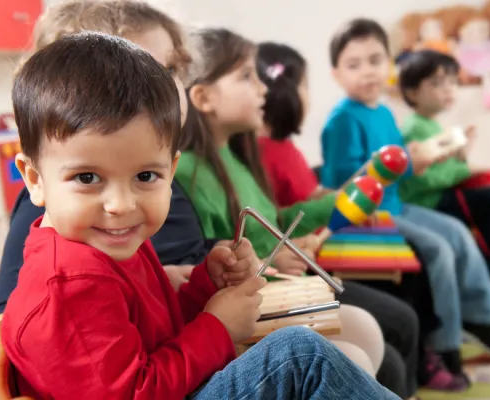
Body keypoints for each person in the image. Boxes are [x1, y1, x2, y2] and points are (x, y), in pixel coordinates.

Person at [1, 31, 398, 400]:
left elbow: (159, 336)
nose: (121, 204)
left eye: (145, 176)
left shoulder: (110, 244)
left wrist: (208, 287)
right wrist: (218, 327)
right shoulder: (71, 284)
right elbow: (137, 391)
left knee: (336, 341)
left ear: (170, 171)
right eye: (87, 177)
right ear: (35, 179)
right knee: (299, 354)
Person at [176, 27, 419, 397]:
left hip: (278, 288)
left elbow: (275, 223)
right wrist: (268, 262)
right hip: (261, 301)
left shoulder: (238, 159)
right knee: (374, 343)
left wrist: (339, 200)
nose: (263, 89)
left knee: (375, 332)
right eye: (247, 76)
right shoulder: (189, 174)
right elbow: (216, 260)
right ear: (203, 97)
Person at [0, 0, 212, 327]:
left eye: (171, 71)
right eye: (144, 71)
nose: (168, 87)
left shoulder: (147, 165)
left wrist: (184, 276)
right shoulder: (54, 201)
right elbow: (9, 319)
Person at [320, 18, 490, 388]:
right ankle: (445, 343)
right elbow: (346, 185)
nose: (368, 72)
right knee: (438, 249)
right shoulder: (343, 119)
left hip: (396, 205)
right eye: (354, 64)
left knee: (458, 232)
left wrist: (425, 159)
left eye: (376, 60)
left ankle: (478, 318)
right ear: (336, 74)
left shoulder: (384, 112)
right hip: (370, 214)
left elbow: (402, 167)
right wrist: (402, 163)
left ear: (390, 64)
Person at [256, 41, 425, 398]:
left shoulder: (285, 147)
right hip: (310, 260)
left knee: (408, 298)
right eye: (304, 86)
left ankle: (427, 367)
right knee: (399, 324)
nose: (308, 96)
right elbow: (285, 218)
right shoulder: (262, 153)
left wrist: (362, 180)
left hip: (314, 252)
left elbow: (312, 195)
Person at [396, 49, 490, 300]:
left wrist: (463, 154)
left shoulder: (432, 124)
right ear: (412, 93)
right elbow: (427, 178)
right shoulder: (415, 128)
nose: (448, 89)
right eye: (437, 84)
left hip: (440, 194)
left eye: (452, 83)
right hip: (426, 201)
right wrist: (466, 168)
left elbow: (445, 168)